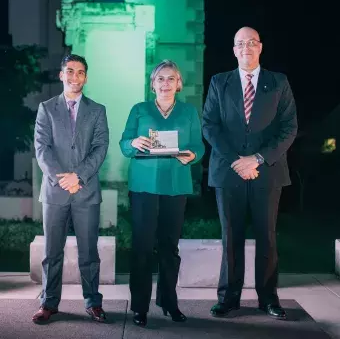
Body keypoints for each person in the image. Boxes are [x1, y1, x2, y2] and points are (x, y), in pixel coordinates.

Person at [202, 27, 298, 320]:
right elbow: (209, 125)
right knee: (230, 237)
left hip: (267, 173)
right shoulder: (220, 82)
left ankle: (268, 298)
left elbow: (288, 127)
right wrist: (236, 161)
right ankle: (228, 298)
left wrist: (256, 159)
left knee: (267, 237)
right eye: (240, 43)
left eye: (251, 42)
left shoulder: (278, 82)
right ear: (234, 50)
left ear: (260, 47)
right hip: (228, 173)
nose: (246, 47)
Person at [119, 60, 205, 327]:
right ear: (152, 84)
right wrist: (133, 142)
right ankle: (140, 307)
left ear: (178, 83)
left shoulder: (189, 111)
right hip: (144, 186)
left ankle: (169, 301)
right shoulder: (139, 110)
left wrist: (192, 155)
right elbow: (124, 143)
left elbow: (197, 146)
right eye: (160, 79)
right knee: (142, 248)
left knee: (170, 247)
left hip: (175, 185)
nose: (165, 83)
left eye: (171, 79)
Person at [33, 54, 109, 323]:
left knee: (89, 252)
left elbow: (100, 148)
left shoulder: (97, 110)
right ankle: (48, 303)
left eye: (80, 72)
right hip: (55, 191)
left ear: (85, 77)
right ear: (61, 75)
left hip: (86, 191)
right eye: (70, 71)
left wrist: (79, 176)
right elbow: (42, 149)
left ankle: (93, 302)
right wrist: (61, 178)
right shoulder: (46, 108)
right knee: (52, 253)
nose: (75, 76)